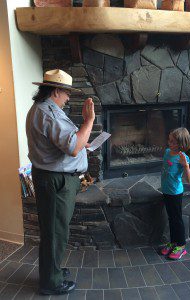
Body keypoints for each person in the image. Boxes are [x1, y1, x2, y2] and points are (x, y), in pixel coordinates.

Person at [26, 69, 95, 295]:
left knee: (54, 230)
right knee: (55, 232)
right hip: (55, 181)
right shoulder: (49, 113)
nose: (68, 98)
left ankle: (52, 271)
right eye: (66, 93)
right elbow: (73, 147)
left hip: (52, 178)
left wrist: (79, 138)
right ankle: (51, 283)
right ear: (56, 91)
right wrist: (89, 121)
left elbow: (64, 142)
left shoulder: (42, 110)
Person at [160, 127, 190, 260]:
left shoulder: (183, 158)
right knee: (171, 218)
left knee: (177, 219)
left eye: (173, 142)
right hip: (166, 190)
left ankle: (182, 246)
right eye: (169, 140)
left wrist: (186, 166)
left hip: (175, 193)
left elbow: (189, 180)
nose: (169, 143)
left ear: (181, 144)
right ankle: (173, 242)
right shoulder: (167, 152)